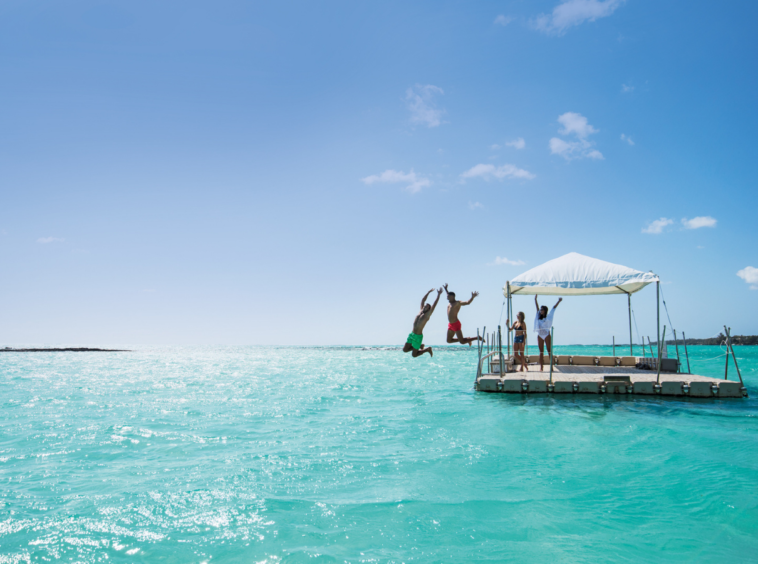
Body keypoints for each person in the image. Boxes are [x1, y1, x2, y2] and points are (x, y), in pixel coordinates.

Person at [403, 288, 442, 358]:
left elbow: (434, 304)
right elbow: (423, 300)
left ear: (429, 309)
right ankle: (420, 346)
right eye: (425, 305)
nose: (425, 306)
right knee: (405, 350)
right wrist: (428, 292)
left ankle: (427, 349)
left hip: (418, 336)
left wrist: (438, 295)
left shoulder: (427, 315)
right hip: (412, 334)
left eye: (427, 306)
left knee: (414, 355)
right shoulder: (420, 311)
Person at [534, 295, 562, 371]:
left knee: (549, 350)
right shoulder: (538, 316)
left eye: (542, 309)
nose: (540, 310)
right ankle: (541, 367)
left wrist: (558, 301)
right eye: (540, 309)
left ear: (545, 310)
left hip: (546, 334)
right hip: (540, 334)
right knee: (541, 351)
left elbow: (553, 308)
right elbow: (536, 307)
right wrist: (535, 299)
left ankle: (551, 367)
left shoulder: (548, 317)